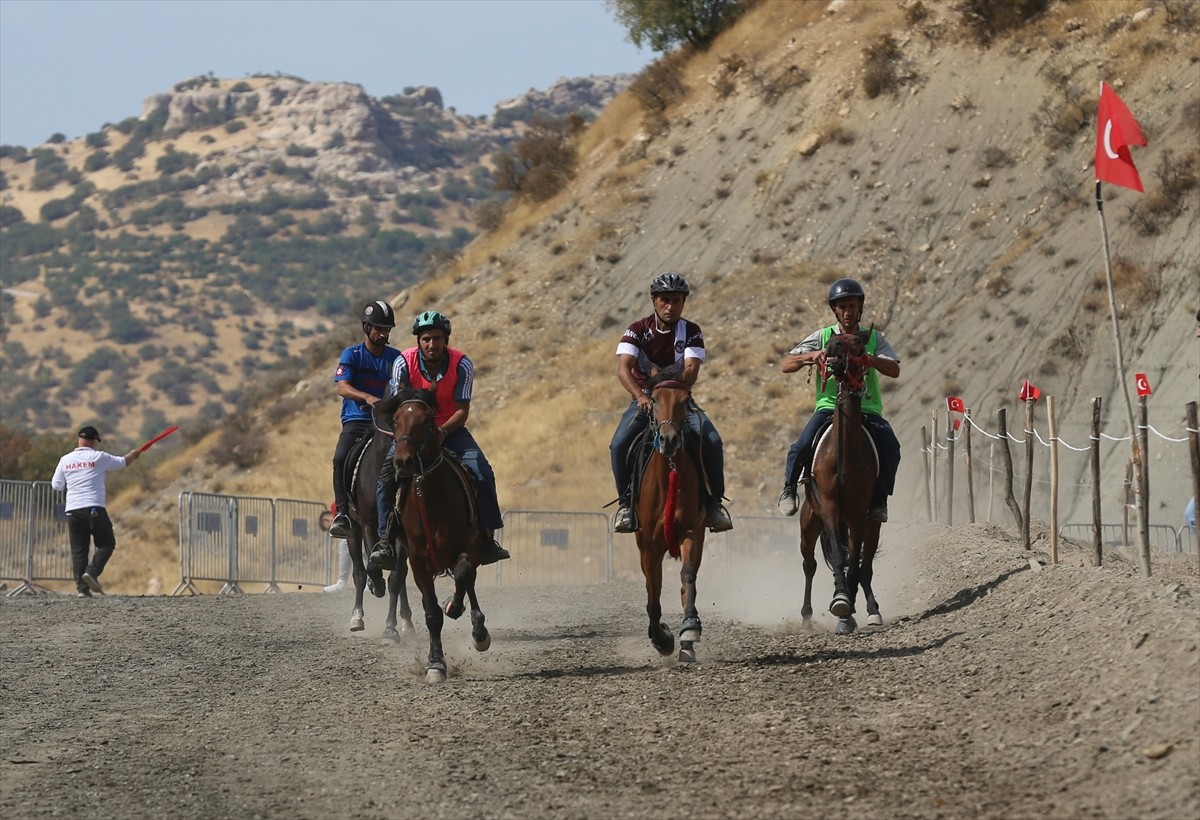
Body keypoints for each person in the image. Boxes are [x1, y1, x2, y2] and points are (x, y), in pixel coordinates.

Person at [371, 310, 510, 566]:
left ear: (446, 340)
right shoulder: (403, 362)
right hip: (412, 432)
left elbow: (462, 411)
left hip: (449, 430)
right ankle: (385, 541)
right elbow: (400, 406)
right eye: (426, 339)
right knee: (386, 478)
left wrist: (442, 433)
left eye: (436, 338)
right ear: (418, 341)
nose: (431, 344)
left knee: (482, 471)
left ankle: (487, 538)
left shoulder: (462, 364)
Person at [609, 272, 733, 534]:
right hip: (645, 401)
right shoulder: (637, 330)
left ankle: (714, 505)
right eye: (665, 300)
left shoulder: (691, 331)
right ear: (654, 301)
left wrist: (676, 391)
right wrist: (641, 396)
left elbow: (691, 369)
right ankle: (626, 505)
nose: (670, 306)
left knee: (713, 441)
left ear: (683, 302)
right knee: (618, 444)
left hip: (679, 401)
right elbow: (623, 368)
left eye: (676, 300)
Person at [777, 277, 901, 523]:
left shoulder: (873, 338)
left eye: (852, 306)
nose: (847, 312)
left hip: (867, 408)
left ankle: (880, 500)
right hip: (829, 408)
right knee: (801, 445)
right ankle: (789, 489)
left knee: (891, 447)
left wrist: (869, 359)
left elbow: (894, 370)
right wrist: (813, 355)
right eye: (842, 306)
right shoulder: (822, 336)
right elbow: (786, 364)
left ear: (860, 306)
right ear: (835, 309)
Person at [329, 300, 402, 539]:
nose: (383, 334)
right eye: (379, 329)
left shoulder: (396, 358)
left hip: (385, 421)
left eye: (386, 330)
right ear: (366, 328)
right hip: (357, 420)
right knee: (340, 458)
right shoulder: (352, 355)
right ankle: (342, 513)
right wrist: (367, 397)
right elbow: (342, 387)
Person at [50, 425, 142, 597]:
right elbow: (122, 462)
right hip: (94, 506)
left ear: (78, 439)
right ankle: (92, 572)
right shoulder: (99, 457)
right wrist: (133, 455)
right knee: (107, 543)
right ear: (93, 441)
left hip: (73, 510)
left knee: (79, 551)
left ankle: (82, 590)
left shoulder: (65, 460)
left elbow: (56, 485)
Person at [319, 502, 353, 593]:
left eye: (329, 528)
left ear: (326, 520)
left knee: (344, 545)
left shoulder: (335, 507)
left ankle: (343, 581)